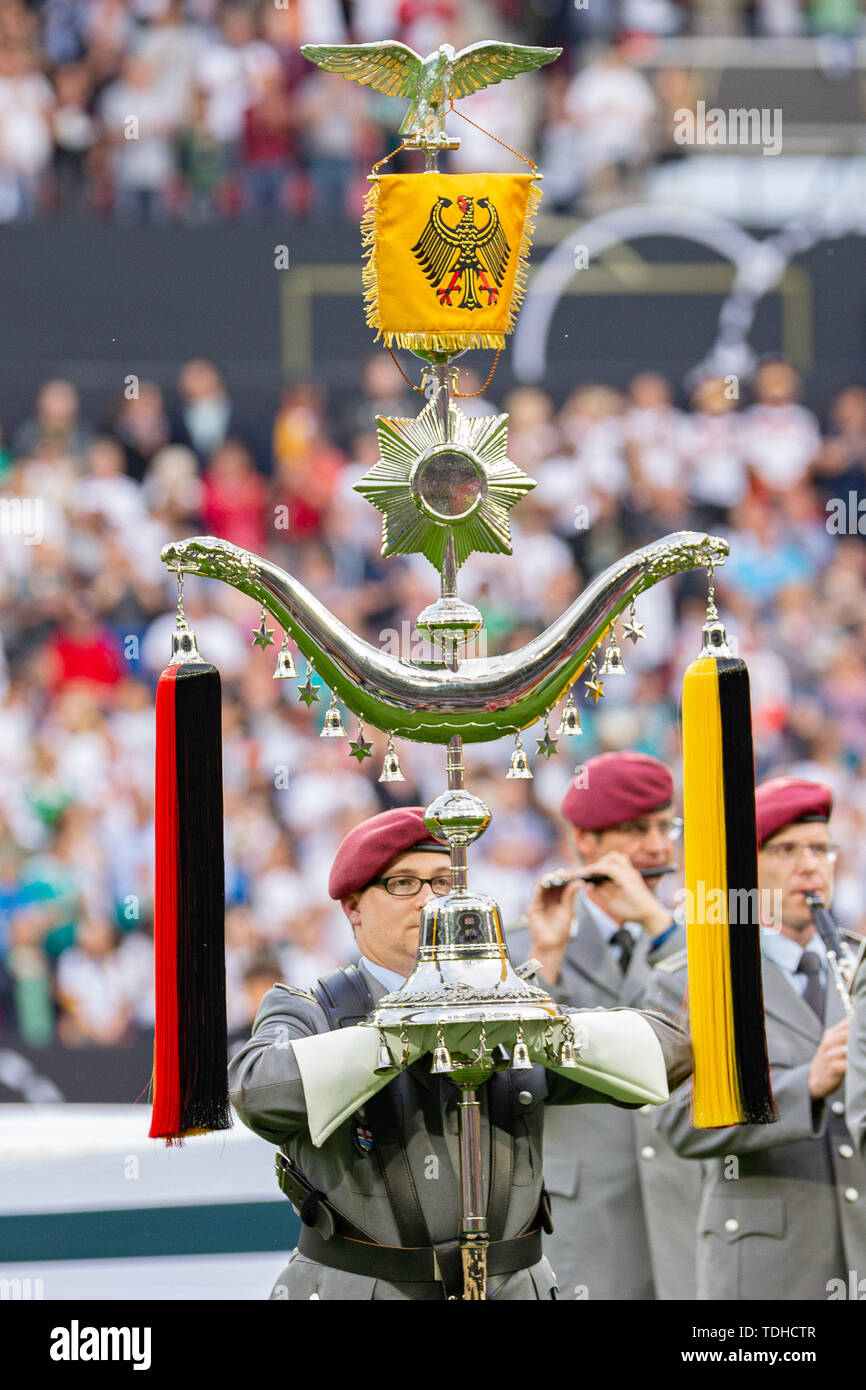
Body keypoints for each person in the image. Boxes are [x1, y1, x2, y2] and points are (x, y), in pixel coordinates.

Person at [228, 806, 693, 1301]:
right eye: (403, 883)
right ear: (353, 907)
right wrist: (406, 1033)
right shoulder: (313, 1008)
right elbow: (258, 1093)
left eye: (444, 883)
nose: (430, 900)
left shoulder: (508, 1005)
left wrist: (535, 1029)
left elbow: (669, 1054)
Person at [648, 776, 866, 1301]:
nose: (809, 865)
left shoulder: (858, 963)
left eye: (820, 848)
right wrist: (804, 1086)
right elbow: (679, 1122)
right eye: (786, 850)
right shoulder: (698, 977)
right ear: (748, 868)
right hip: (767, 1269)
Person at [507, 750, 701, 1300]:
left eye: (666, 827)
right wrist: (546, 959)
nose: (658, 847)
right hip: (585, 1220)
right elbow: (512, 1070)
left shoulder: (690, 941)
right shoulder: (524, 944)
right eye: (636, 830)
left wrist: (661, 928)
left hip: (685, 1209)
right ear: (583, 841)